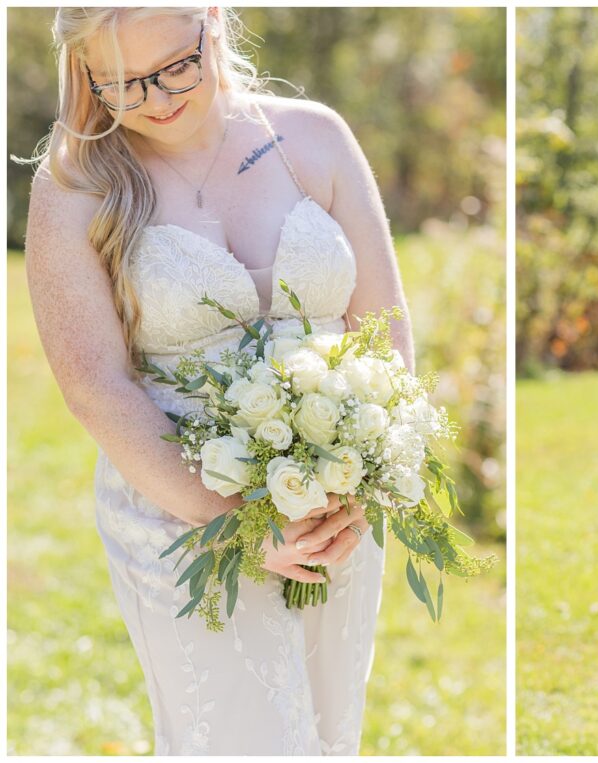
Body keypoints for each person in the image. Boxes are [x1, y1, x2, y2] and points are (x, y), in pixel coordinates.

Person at [24, 7, 411, 755]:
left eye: (176, 65)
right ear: (85, 73)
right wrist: (236, 519)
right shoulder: (75, 186)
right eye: (123, 83)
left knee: (331, 734)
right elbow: (93, 384)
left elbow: (387, 327)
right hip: (179, 512)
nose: (158, 98)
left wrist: (362, 480)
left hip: (338, 505)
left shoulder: (316, 138)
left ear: (211, 23)